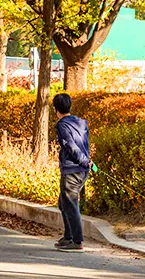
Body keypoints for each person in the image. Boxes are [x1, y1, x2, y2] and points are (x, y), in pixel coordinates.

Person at [53, 92, 92, 253]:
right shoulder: (81, 122)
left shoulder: (62, 125)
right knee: (63, 203)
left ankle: (76, 240)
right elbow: (85, 144)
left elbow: (70, 146)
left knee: (70, 204)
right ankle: (68, 237)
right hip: (83, 169)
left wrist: (83, 160)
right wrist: (87, 161)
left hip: (72, 169)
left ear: (55, 109)